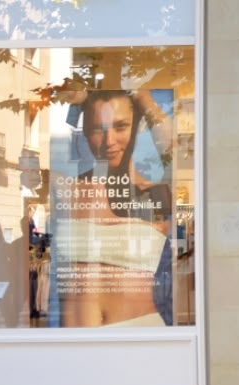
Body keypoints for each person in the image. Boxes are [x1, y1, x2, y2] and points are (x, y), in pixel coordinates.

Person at [54, 89, 173, 326]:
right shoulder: (66, 189)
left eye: (121, 126)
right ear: (86, 133)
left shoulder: (156, 194)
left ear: (138, 127)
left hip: (140, 328)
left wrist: (142, 98)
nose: (109, 141)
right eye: (98, 129)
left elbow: (176, 149)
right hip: (77, 340)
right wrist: (78, 99)